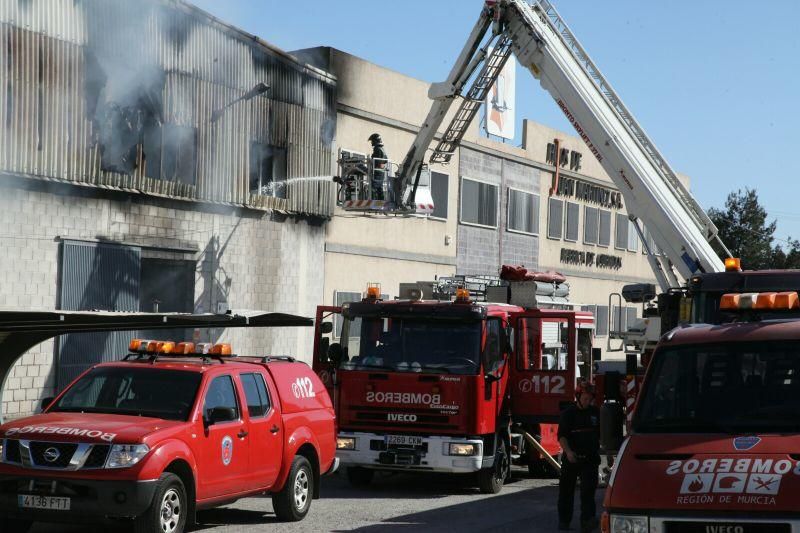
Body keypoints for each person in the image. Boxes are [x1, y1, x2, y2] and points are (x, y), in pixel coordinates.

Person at [557, 381, 600, 532]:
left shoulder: (595, 413)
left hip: (590, 459)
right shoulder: (568, 414)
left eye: (590, 399)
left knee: (588, 492)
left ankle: (587, 521)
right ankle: (564, 521)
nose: (587, 402)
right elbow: (562, 436)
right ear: (578, 396)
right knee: (566, 491)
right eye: (585, 398)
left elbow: (600, 435)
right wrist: (568, 452)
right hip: (572, 458)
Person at [368, 133, 388, 201]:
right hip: (380, 170)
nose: (371, 143)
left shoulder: (377, 149)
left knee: (375, 186)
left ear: (376, 141)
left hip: (377, 170)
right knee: (379, 187)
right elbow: (385, 160)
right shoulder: (382, 149)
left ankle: (376, 201)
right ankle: (381, 201)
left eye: (372, 141)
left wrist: (371, 162)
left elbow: (375, 160)